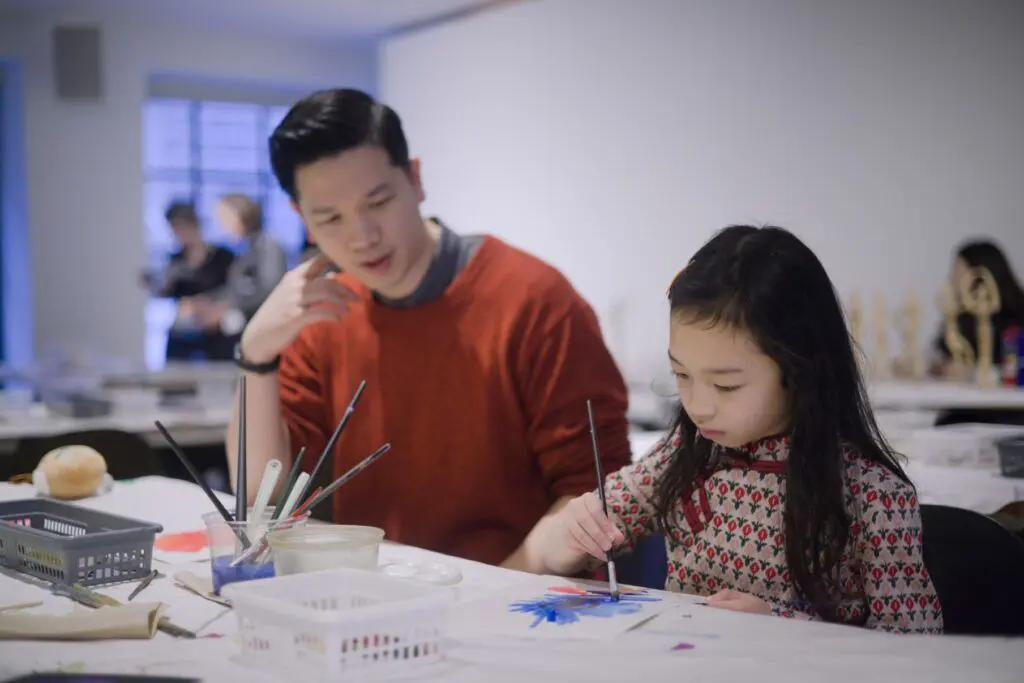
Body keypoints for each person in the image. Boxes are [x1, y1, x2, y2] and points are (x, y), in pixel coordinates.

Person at [224, 88, 631, 568]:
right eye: (329, 217)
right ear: (302, 220)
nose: (362, 237)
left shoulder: (535, 301)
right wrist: (257, 353)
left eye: (378, 202)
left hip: (519, 598)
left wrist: (494, 591)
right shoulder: (326, 314)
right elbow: (261, 501)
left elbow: (597, 495)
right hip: (377, 599)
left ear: (415, 180)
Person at [527, 225, 943, 634]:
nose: (698, 407)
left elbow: (917, 649)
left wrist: (787, 628)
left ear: (801, 370)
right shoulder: (685, 457)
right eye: (681, 375)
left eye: (726, 385)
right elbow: (556, 545)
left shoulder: (871, 495)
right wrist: (570, 535)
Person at [192, 194, 289, 354]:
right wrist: (208, 300)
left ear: (239, 216)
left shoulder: (267, 247)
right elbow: (237, 288)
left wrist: (226, 307)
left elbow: (269, 289)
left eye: (224, 218)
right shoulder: (248, 248)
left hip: (259, 331)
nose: (222, 225)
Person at [142, 201, 236, 361]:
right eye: (175, 229)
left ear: (194, 224)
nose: (179, 234)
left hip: (217, 325)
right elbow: (170, 293)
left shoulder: (223, 257)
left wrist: (210, 304)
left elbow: (236, 290)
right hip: (188, 327)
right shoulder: (176, 260)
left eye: (182, 227)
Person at [931, 239, 1024, 375]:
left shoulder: (1016, 324)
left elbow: (1014, 371)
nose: (952, 280)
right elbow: (941, 354)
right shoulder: (961, 320)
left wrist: (971, 372)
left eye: (958, 272)